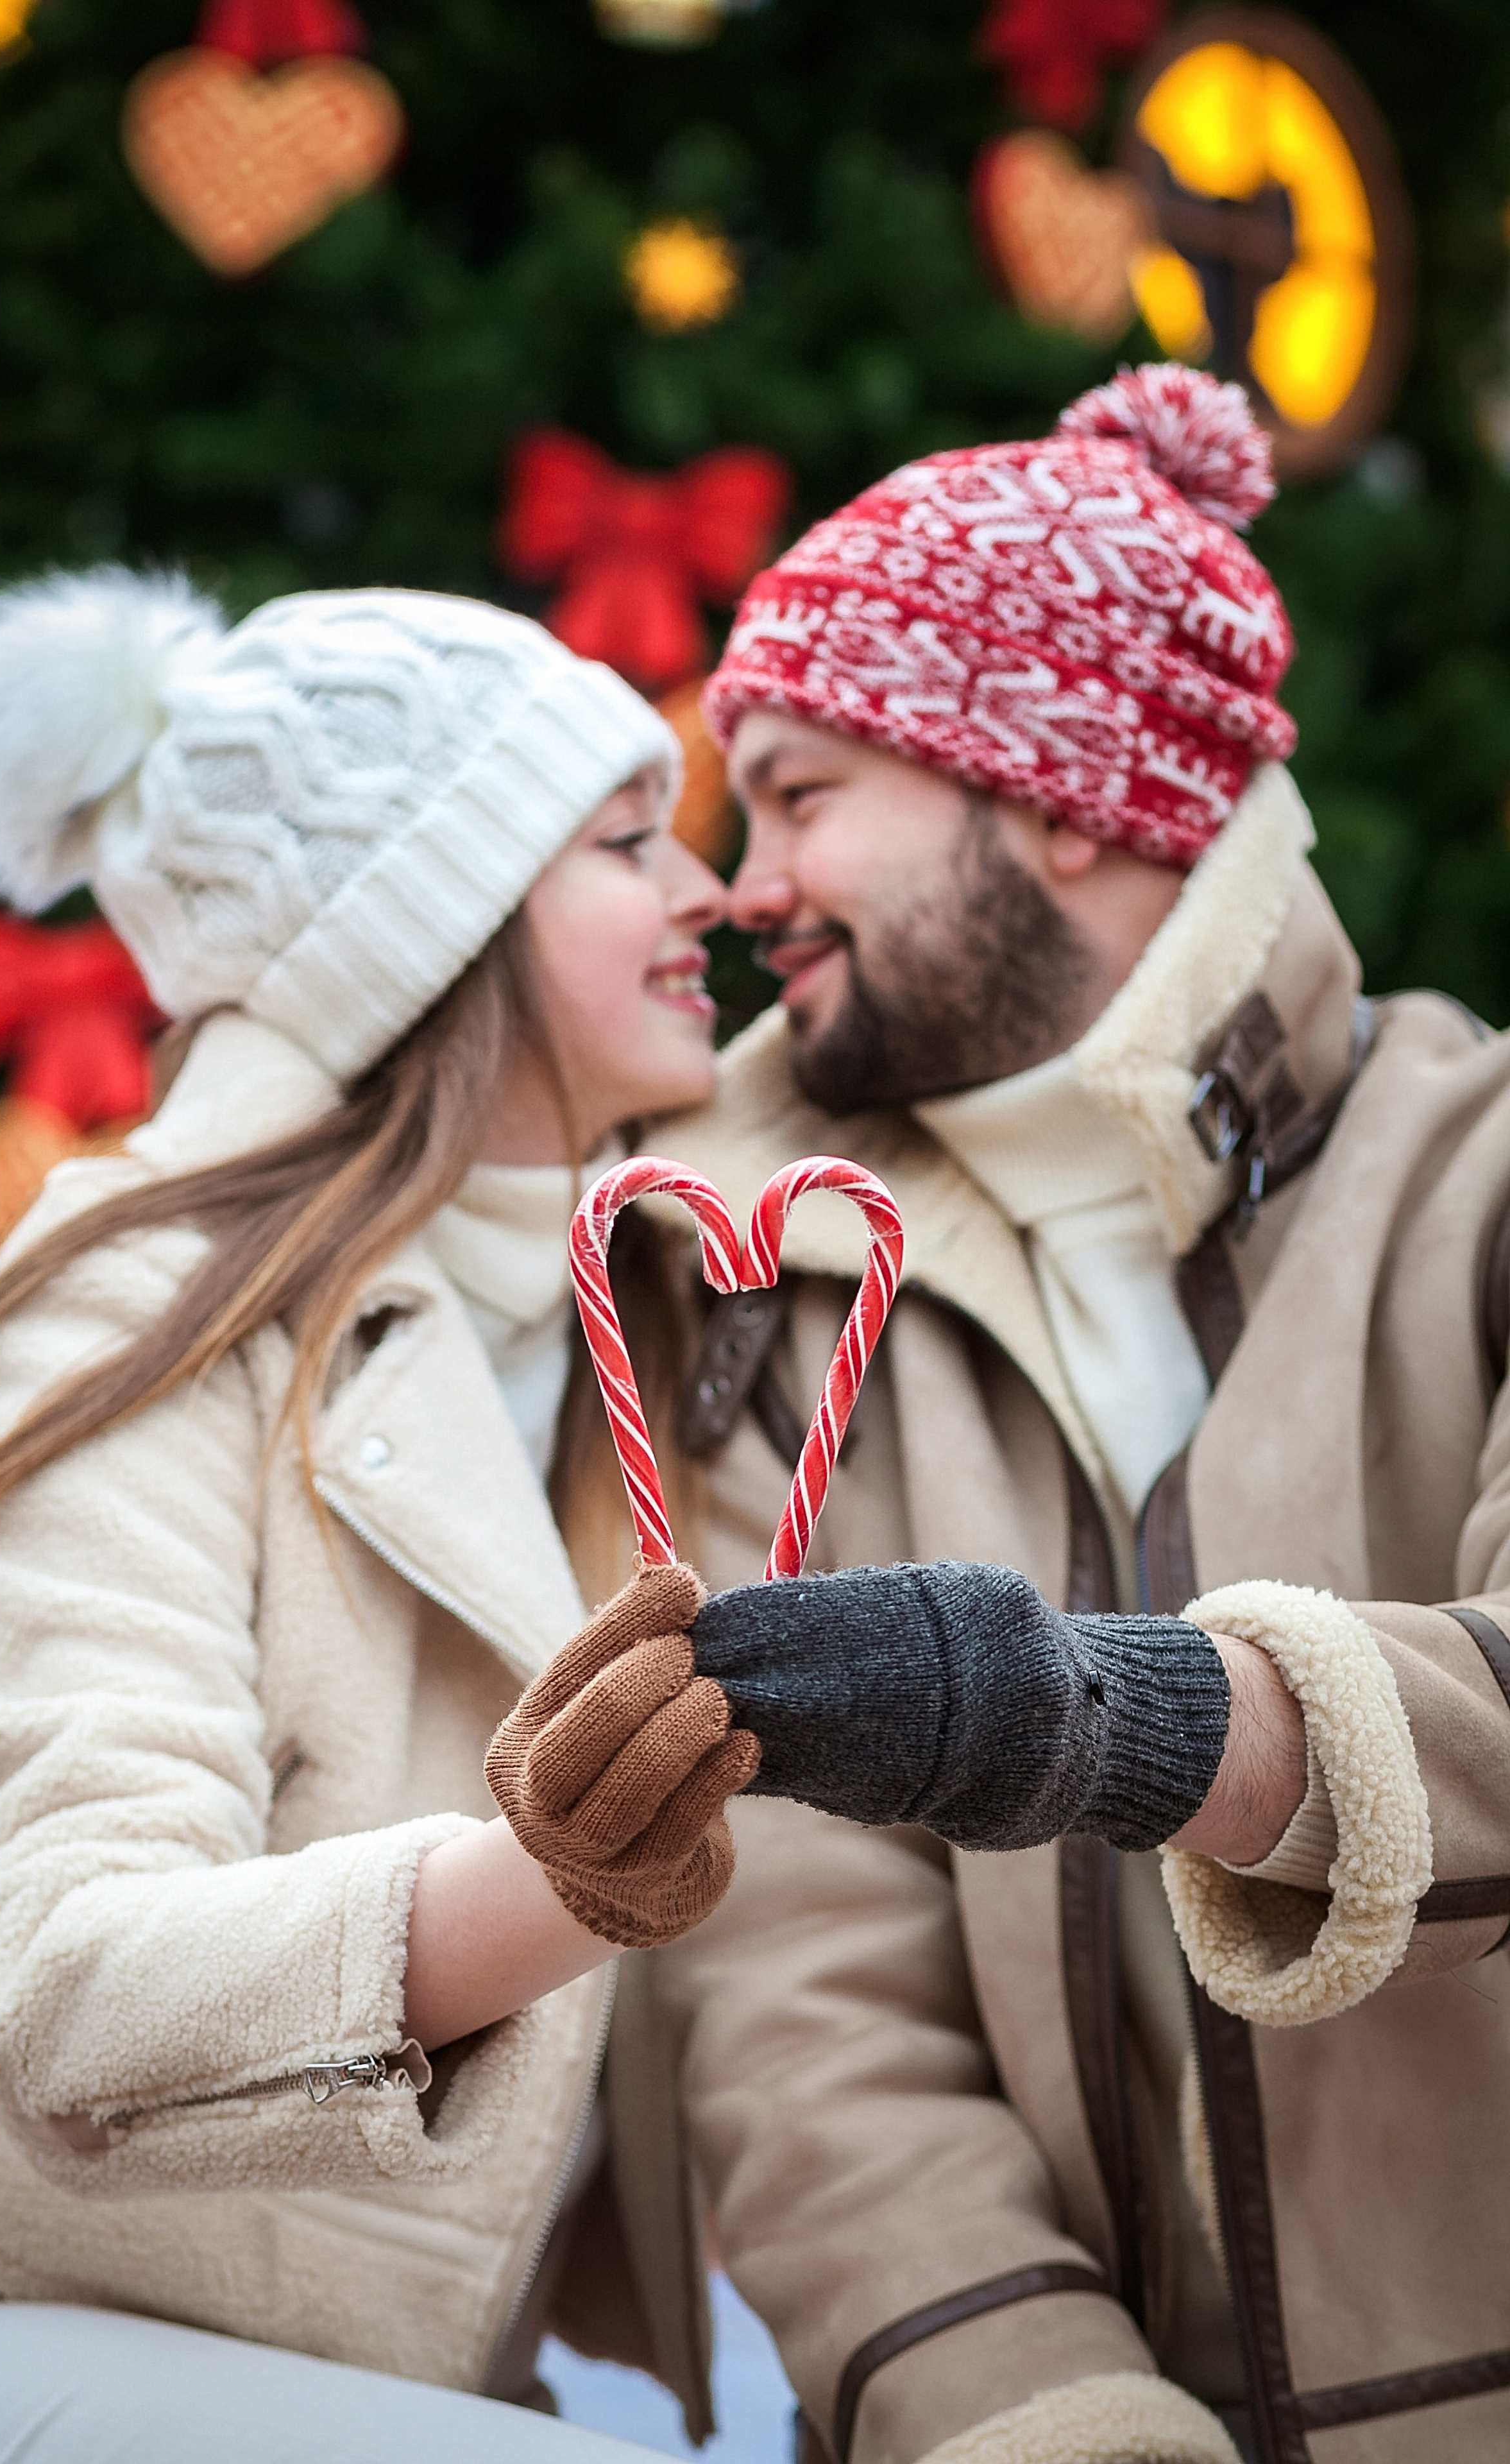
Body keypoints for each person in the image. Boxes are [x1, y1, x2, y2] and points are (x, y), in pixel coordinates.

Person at [488, 366, 1510, 2464]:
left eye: (797, 792)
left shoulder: (1479, 1180)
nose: (741, 884)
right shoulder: (781, 1309)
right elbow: (803, 2014)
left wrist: (1086, 1717)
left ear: (1059, 793)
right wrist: (1036, 2421)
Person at [0, 571, 763, 2461]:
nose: (713, 890)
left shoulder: (670, 1315)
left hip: (385, 2382)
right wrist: (558, 1881)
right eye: (625, 842)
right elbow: (63, 1978)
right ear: (428, 923)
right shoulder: (127, 1312)